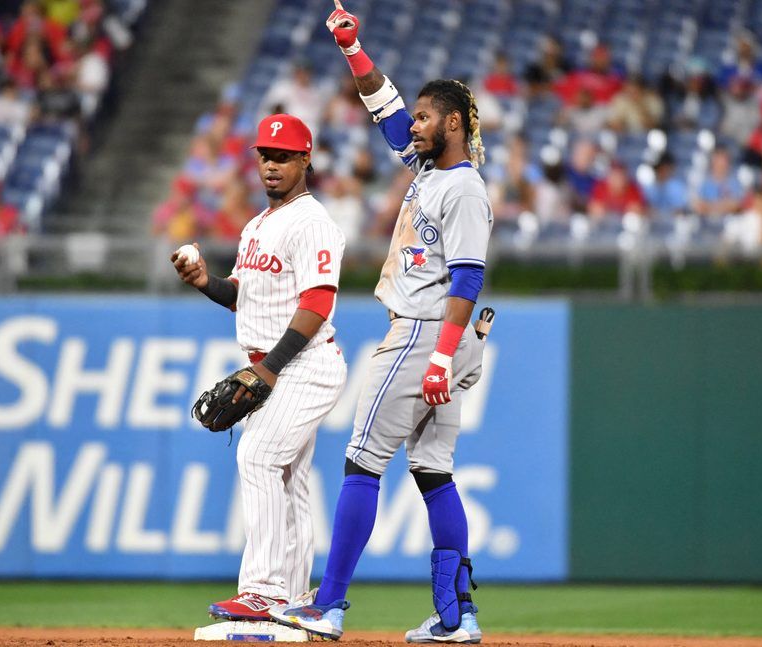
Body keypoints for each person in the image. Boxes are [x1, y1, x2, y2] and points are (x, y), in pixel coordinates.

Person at [271, 3, 492, 643]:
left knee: (360, 463)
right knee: (432, 471)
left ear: (452, 122)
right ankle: (456, 617)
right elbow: (386, 110)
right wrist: (353, 48)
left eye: (426, 117)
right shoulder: (433, 170)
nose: (414, 125)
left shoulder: (464, 188)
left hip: (424, 333)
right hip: (437, 338)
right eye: (417, 116)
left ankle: (329, 605)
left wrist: (444, 357)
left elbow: (469, 278)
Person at [171, 113, 347, 621]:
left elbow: (316, 305)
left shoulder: (313, 222)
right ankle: (294, 599)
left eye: (284, 155)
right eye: (266, 155)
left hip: (302, 363)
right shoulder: (256, 225)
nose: (272, 165)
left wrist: (268, 370)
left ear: (305, 159)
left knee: (257, 457)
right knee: (289, 480)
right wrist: (205, 281)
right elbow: (240, 297)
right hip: (274, 363)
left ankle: (263, 591)